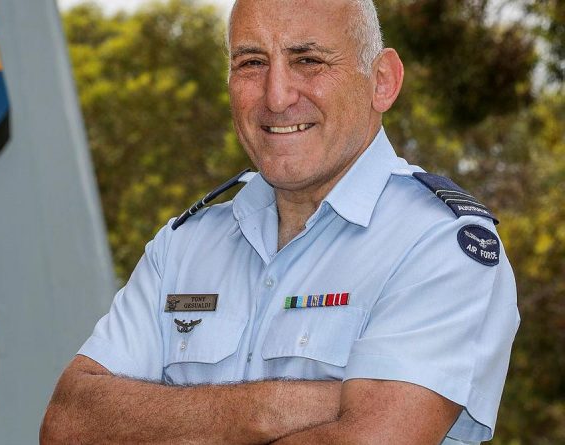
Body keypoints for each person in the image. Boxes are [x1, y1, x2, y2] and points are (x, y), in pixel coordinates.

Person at [40, 0, 520, 443]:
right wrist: (273, 408)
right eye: (251, 63)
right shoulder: (184, 247)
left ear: (382, 81)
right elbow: (68, 423)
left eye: (308, 60)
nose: (277, 95)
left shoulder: (440, 243)